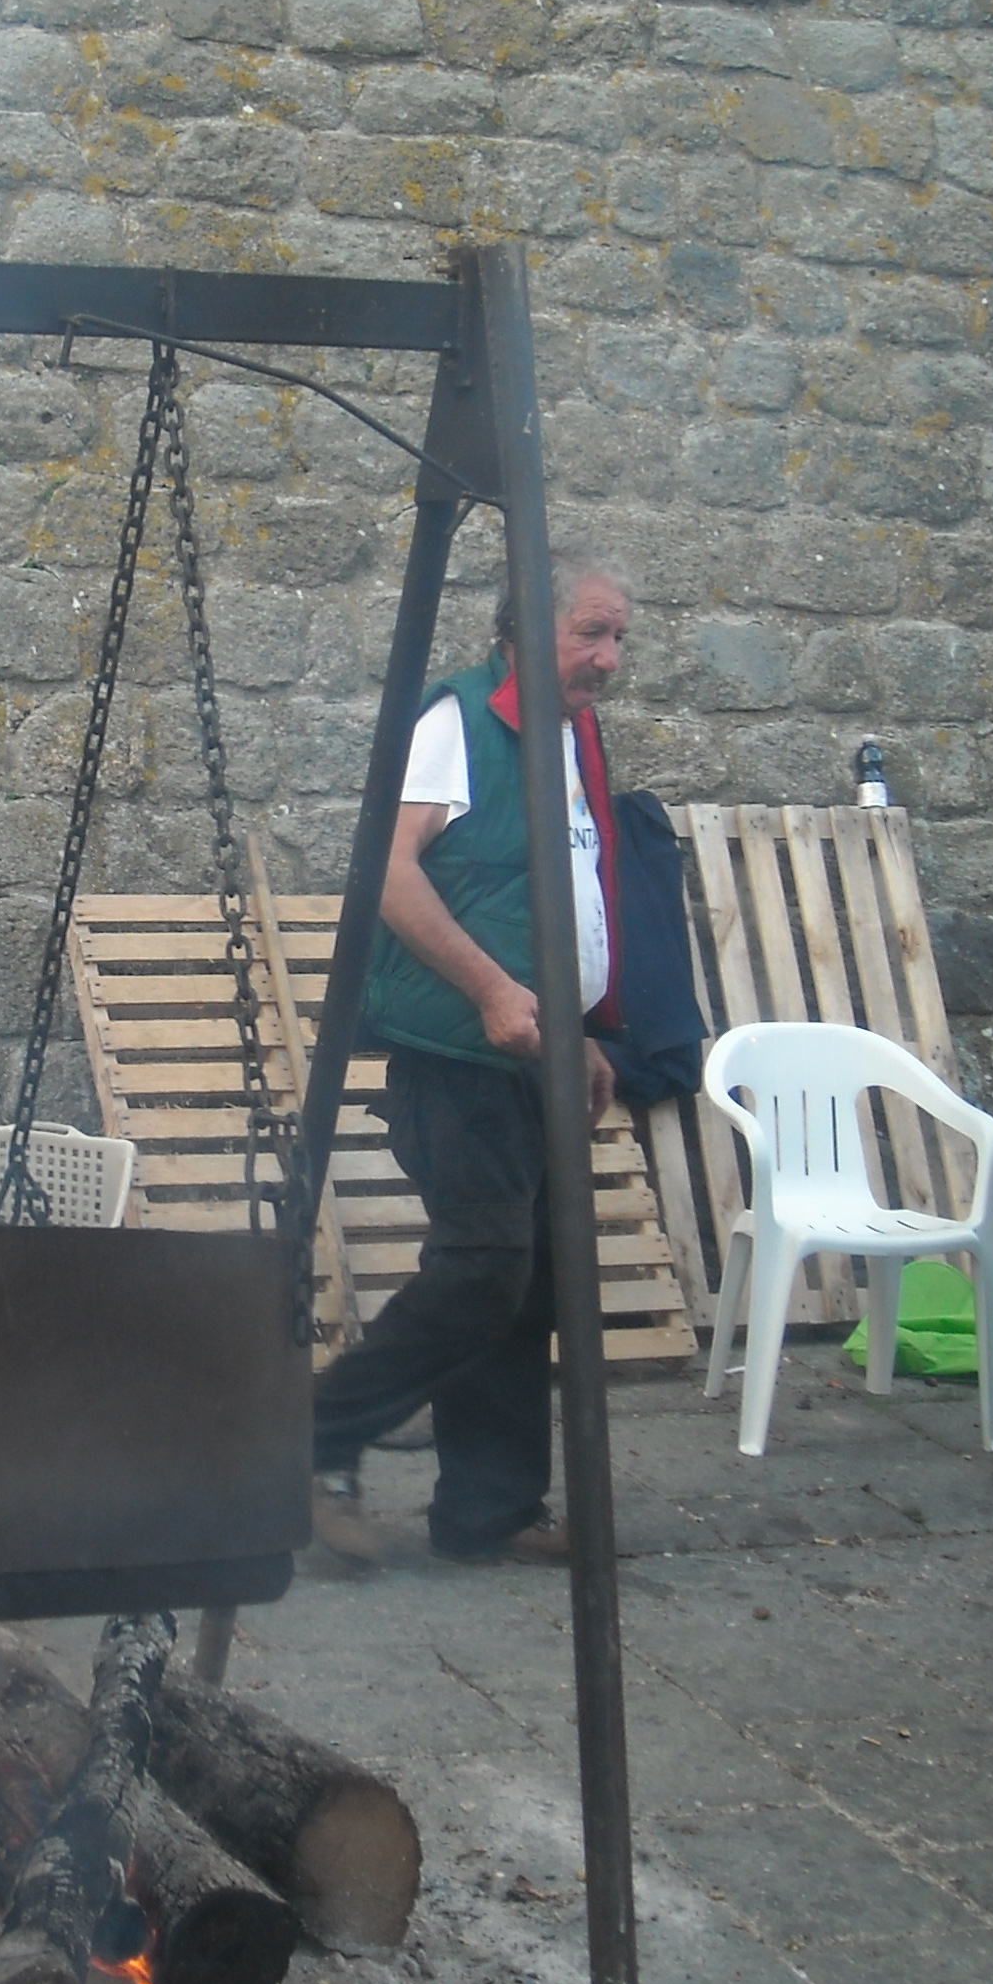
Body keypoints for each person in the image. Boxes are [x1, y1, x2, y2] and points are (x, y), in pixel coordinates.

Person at [311, 562, 634, 1568]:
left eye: (618, 638)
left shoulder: (572, 733)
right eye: (590, 633)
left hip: (536, 1048)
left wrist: (582, 1029)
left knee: (531, 1281)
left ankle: (488, 1512)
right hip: (454, 1050)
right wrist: (493, 990)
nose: (608, 659)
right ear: (524, 627)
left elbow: (556, 891)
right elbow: (388, 871)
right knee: (487, 1265)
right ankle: (311, 1435)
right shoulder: (458, 720)